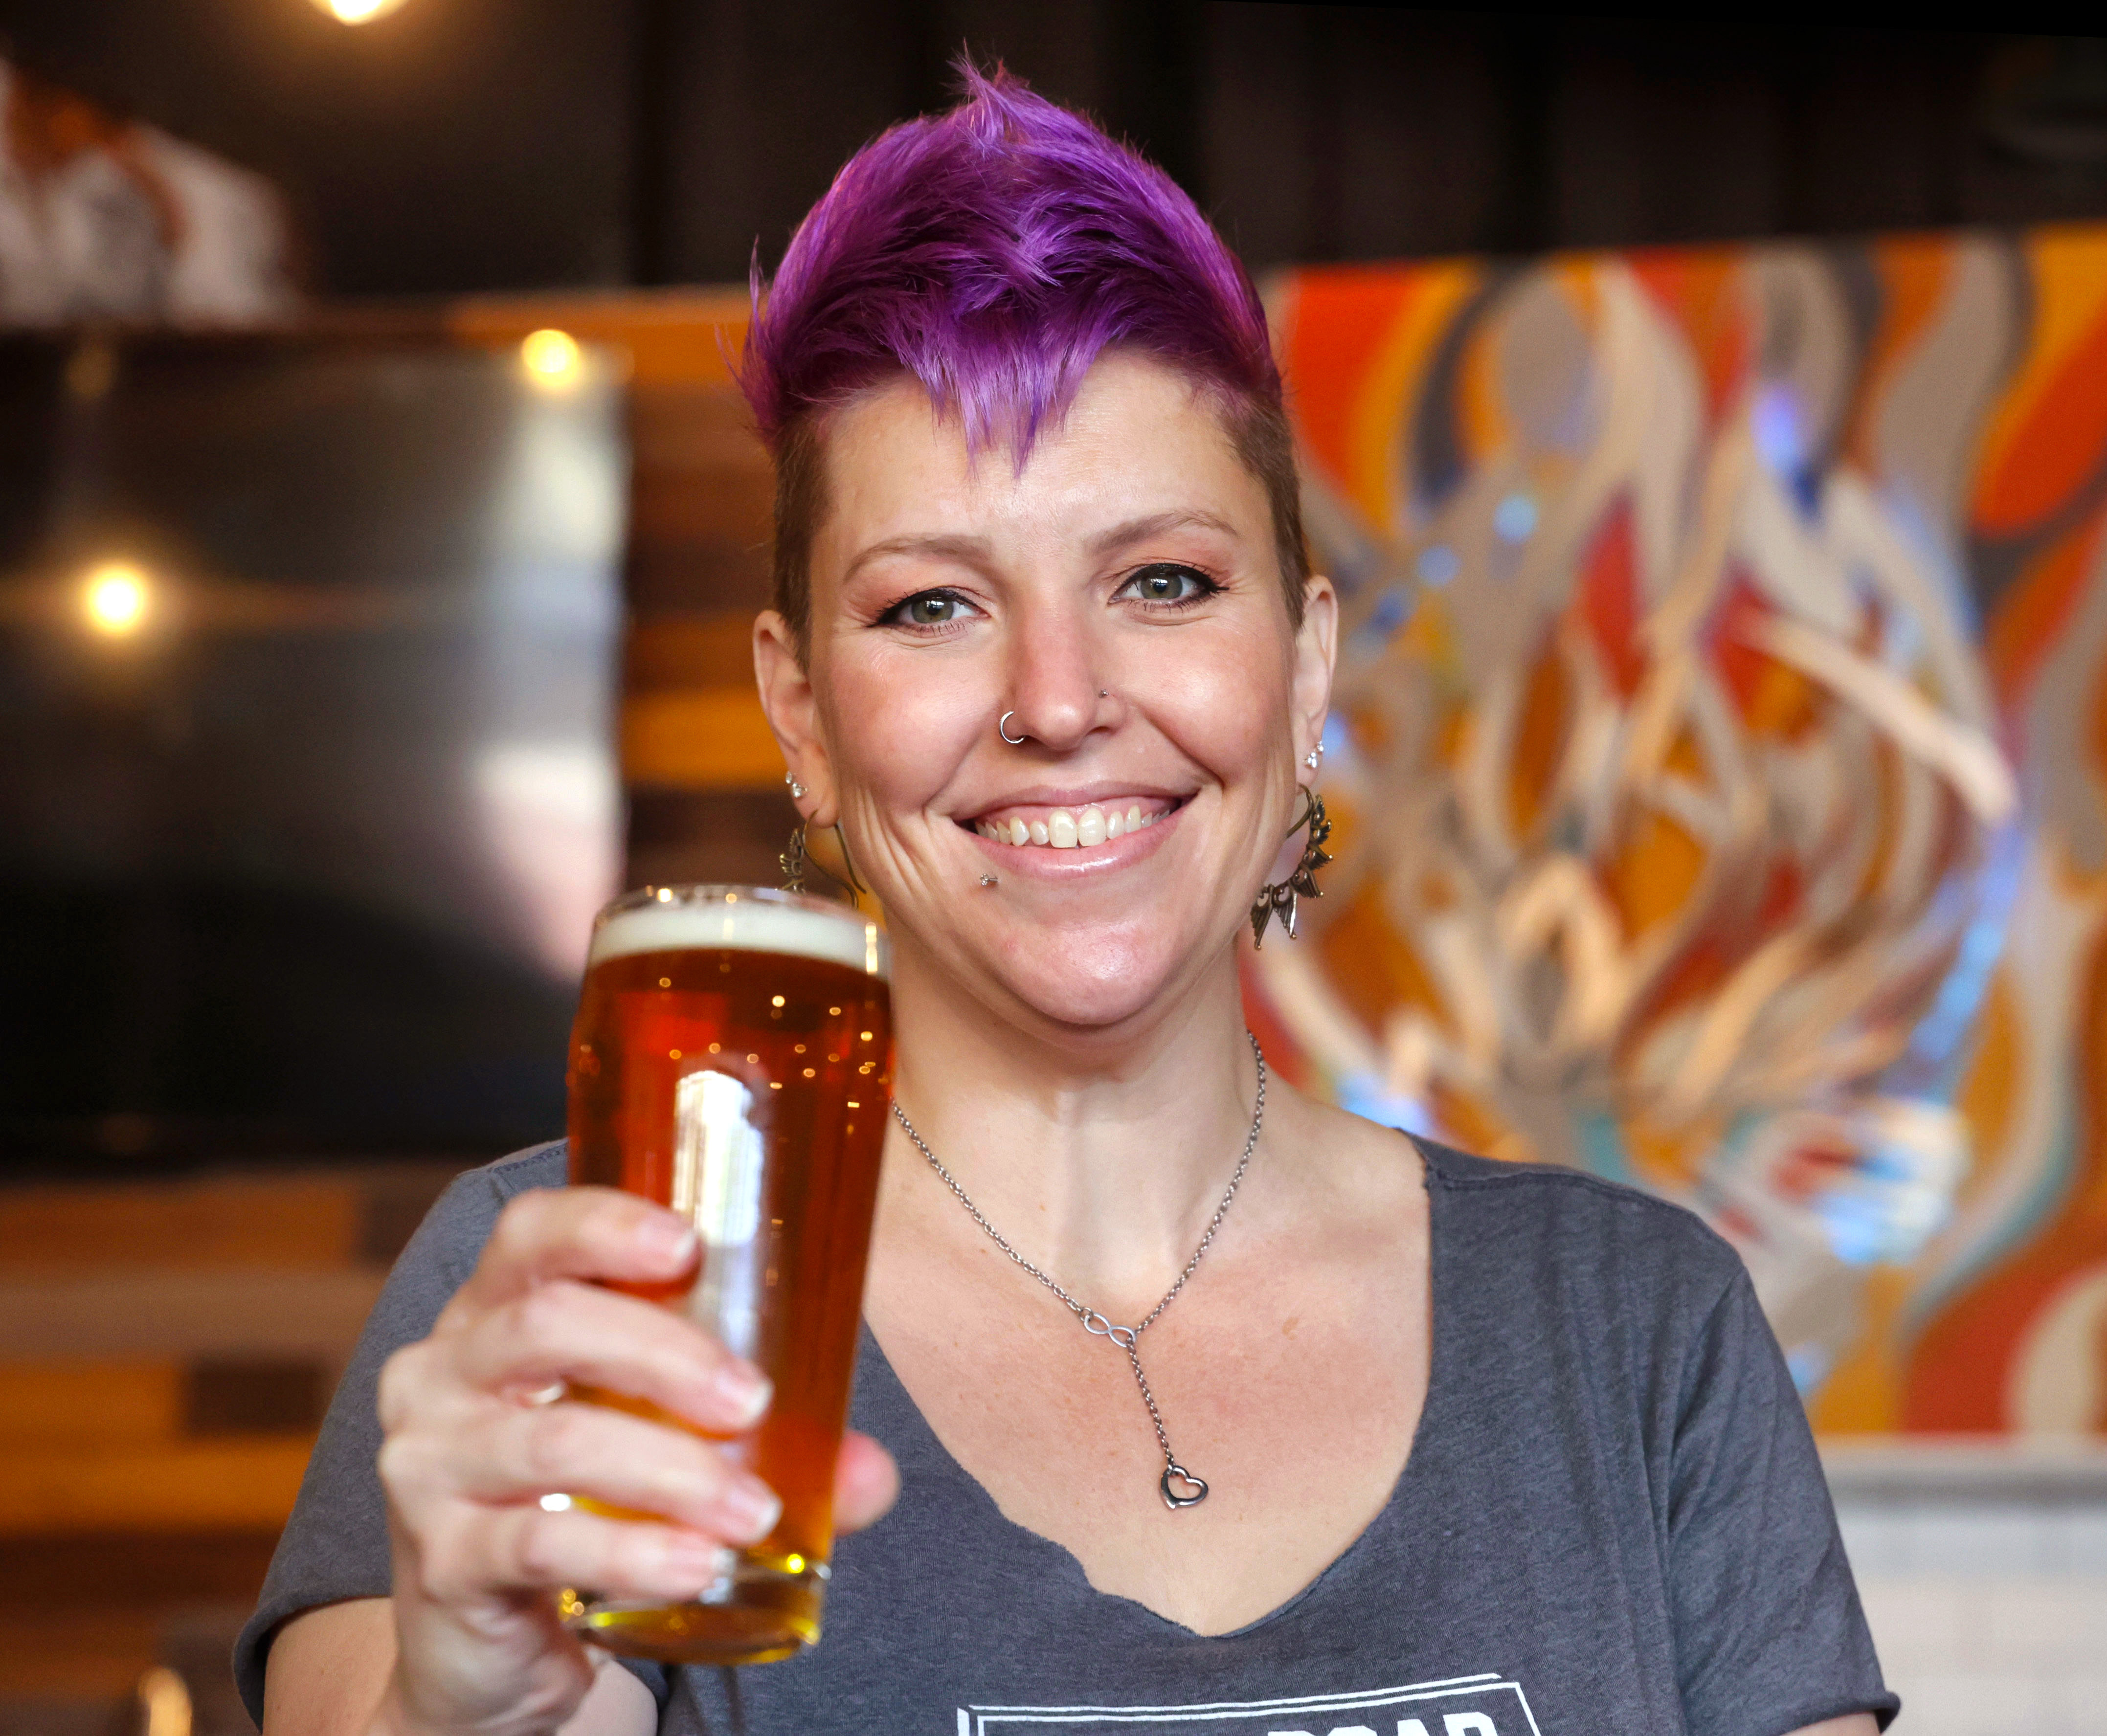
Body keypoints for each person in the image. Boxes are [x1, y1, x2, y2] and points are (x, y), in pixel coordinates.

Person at [240, 66, 1896, 1736]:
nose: (1056, 698)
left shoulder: (1627, 1327)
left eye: (1161, 582)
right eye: (932, 605)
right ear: (800, 715)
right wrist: (472, 1712)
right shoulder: (589, 1287)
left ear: (1306, 664)